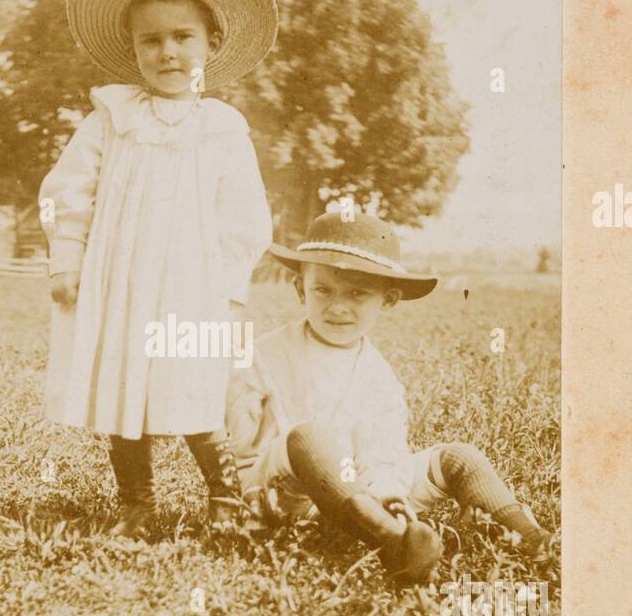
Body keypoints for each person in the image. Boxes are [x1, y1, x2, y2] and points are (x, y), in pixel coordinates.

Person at [38, 0, 278, 536]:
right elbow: (67, 191)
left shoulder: (222, 126)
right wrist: (67, 260)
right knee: (125, 387)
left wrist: (225, 290)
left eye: (182, 37)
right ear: (134, 49)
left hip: (192, 284)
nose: (167, 51)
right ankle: (136, 505)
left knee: (195, 383)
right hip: (119, 280)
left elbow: (243, 214)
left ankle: (226, 500)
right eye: (152, 40)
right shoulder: (111, 118)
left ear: (210, 46)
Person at [225, 209, 552, 584]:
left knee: (458, 457)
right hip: (284, 493)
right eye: (322, 290)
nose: (338, 307)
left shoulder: (378, 376)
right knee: (308, 436)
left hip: (363, 489)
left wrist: (390, 496)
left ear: (389, 299)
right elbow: (241, 454)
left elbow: (383, 451)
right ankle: (391, 542)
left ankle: (528, 537)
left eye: (358, 294)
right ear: (301, 289)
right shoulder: (261, 356)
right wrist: (252, 499)